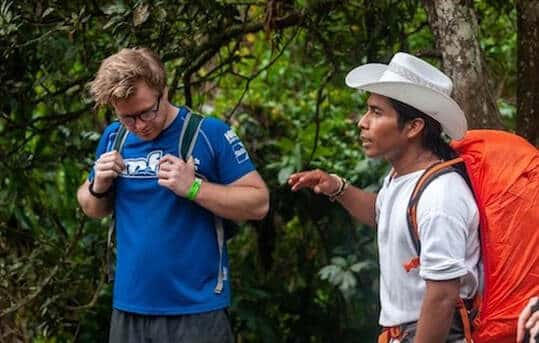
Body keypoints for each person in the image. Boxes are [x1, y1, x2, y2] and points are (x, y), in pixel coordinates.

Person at [77, 47, 269, 342]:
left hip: (196, 310)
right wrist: (98, 185)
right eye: (127, 117)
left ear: (163, 90)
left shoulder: (209, 134)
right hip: (129, 308)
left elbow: (259, 203)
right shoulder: (115, 137)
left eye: (146, 112)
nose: (139, 126)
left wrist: (194, 188)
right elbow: (92, 207)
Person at [288, 52, 481, 343]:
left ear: (414, 127)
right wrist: (336, 187)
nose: (362, 123)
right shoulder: (402, 179)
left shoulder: (441, 196)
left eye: (377, 112)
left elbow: (442, 296)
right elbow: (382, 213)